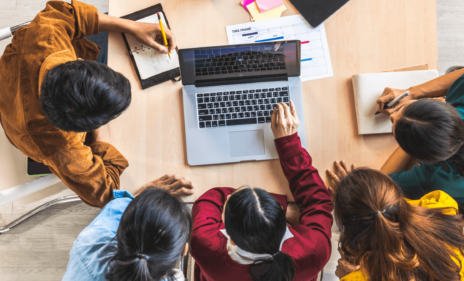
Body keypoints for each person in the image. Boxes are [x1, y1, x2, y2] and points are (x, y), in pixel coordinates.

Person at [0, 0, 177, 208]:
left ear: (79, 63)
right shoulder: (63, 149)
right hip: (20, 127)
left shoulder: (45, 35)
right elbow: (105, 193)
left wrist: (133, 26)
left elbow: (71, 14)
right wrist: (100, 130)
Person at [190, 102, 333, 281]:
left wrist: (283, 206)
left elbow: (211, 198)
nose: (227, 197)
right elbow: (319, 201)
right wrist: (289, 145)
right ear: (284, 223)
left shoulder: (205, 245)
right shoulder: (313, 252)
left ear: (231, 238)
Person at [376, 65, 464, 224]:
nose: (393, 114)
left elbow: (380, 186)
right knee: (454, 72)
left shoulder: (432, 179)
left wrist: (414, 140)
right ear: (440, 105)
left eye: (393, 120)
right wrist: (412, 93)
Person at [326, 163, 464, 281]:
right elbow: (390, 212)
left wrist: (347, 276)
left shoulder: (360, 276)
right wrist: (368, 200)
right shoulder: (442, 208)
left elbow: (384, 215)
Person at [62, 174, 193, 281]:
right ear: (184, 250)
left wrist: (146, 196)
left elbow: (118, 207)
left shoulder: (90, 242)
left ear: (119, 232)